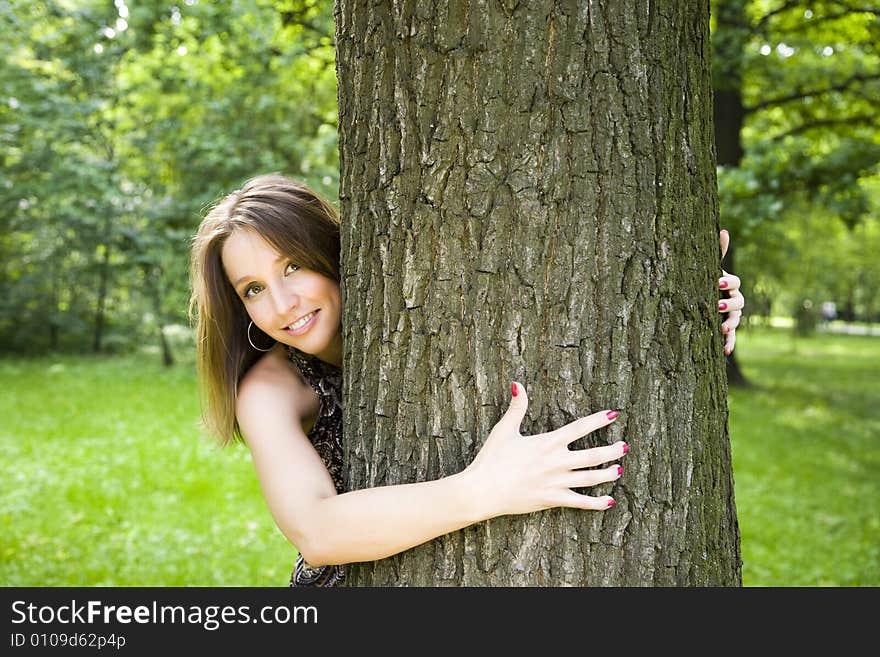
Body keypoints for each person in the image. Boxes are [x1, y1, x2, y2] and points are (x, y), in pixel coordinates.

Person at [189, 174, 746, 587]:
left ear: (329, 253)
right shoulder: (268, 389)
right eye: (253, 289)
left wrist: (686, 299)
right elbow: (318, 532)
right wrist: (483, 490)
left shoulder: (417, 301)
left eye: (293, 267)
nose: (283, 303)